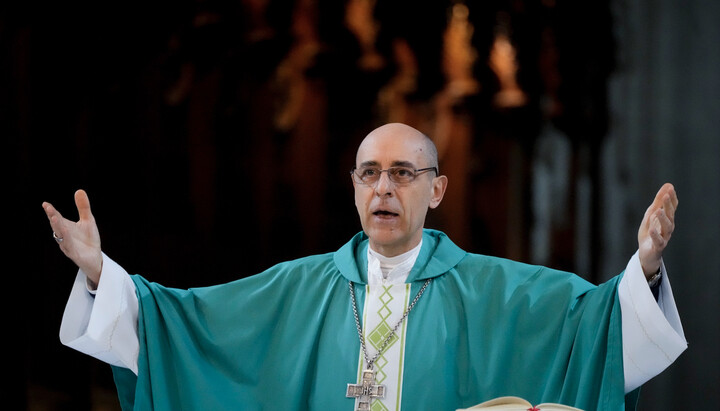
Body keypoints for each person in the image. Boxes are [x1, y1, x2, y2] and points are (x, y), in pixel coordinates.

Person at [43, 123, 686, 411]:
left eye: (404, 173)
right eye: (369, 173)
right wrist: (102, 272)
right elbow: (180, 326)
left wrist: (647, 267)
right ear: (352, 187)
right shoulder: (294, 288)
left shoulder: (500, 291)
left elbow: (597, 324)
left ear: (436, 190)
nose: (384, 187)